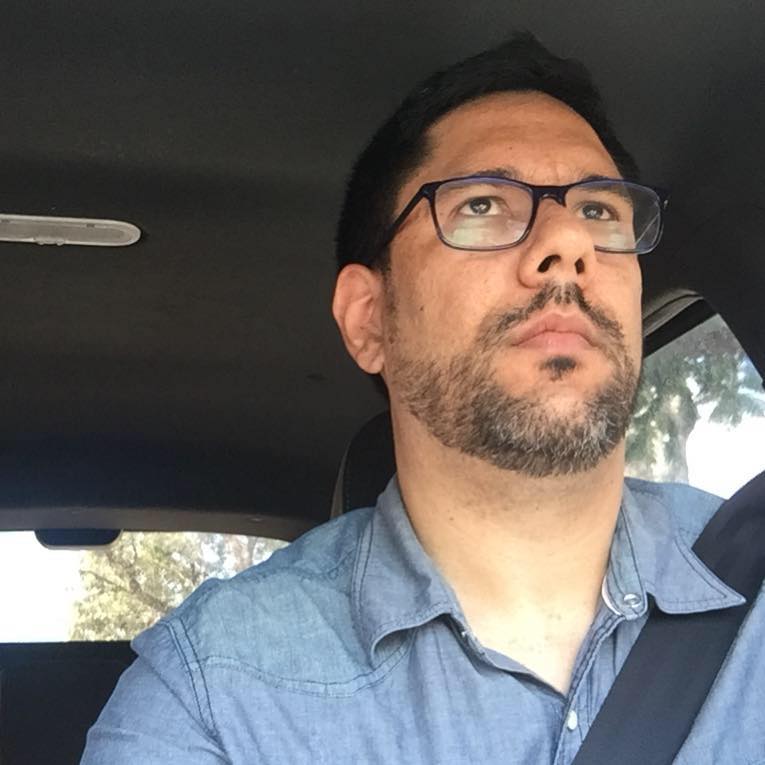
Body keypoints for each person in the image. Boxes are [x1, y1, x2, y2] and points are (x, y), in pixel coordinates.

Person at [81, 33, 764, 764]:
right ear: (369, 320)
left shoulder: (749, 580)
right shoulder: (215, 697)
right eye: (482, 204)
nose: (569, 241)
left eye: (599, 211)